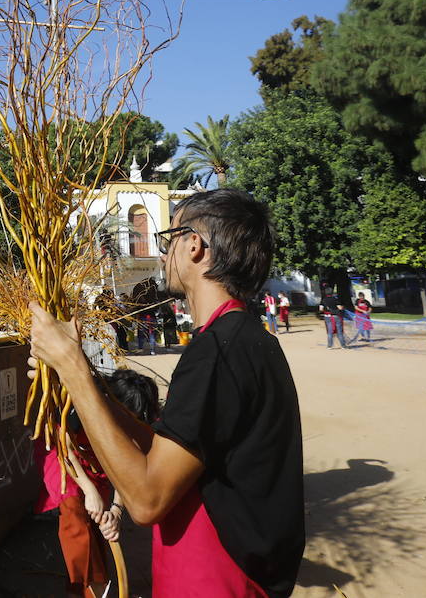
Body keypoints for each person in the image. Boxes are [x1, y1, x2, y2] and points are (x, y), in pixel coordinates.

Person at [29, 188, 304, 597]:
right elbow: (168, 450)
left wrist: (73, 371)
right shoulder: (242, 339)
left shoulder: (218, 353)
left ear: (194, 245)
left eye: (167, 240)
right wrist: (87, 380)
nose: (161, 254)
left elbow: (146, 500)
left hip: (219, 584)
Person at [36, 369, 161, 597]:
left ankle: (91, 586)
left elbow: (126, 469)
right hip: (65, 456)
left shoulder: (138, 427)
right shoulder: (85, 404)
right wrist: (88, 488)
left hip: (98, 464)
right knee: (74, 515)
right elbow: (65, 448)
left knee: (98, 525)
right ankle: (92, 590)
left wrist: (116, 510)